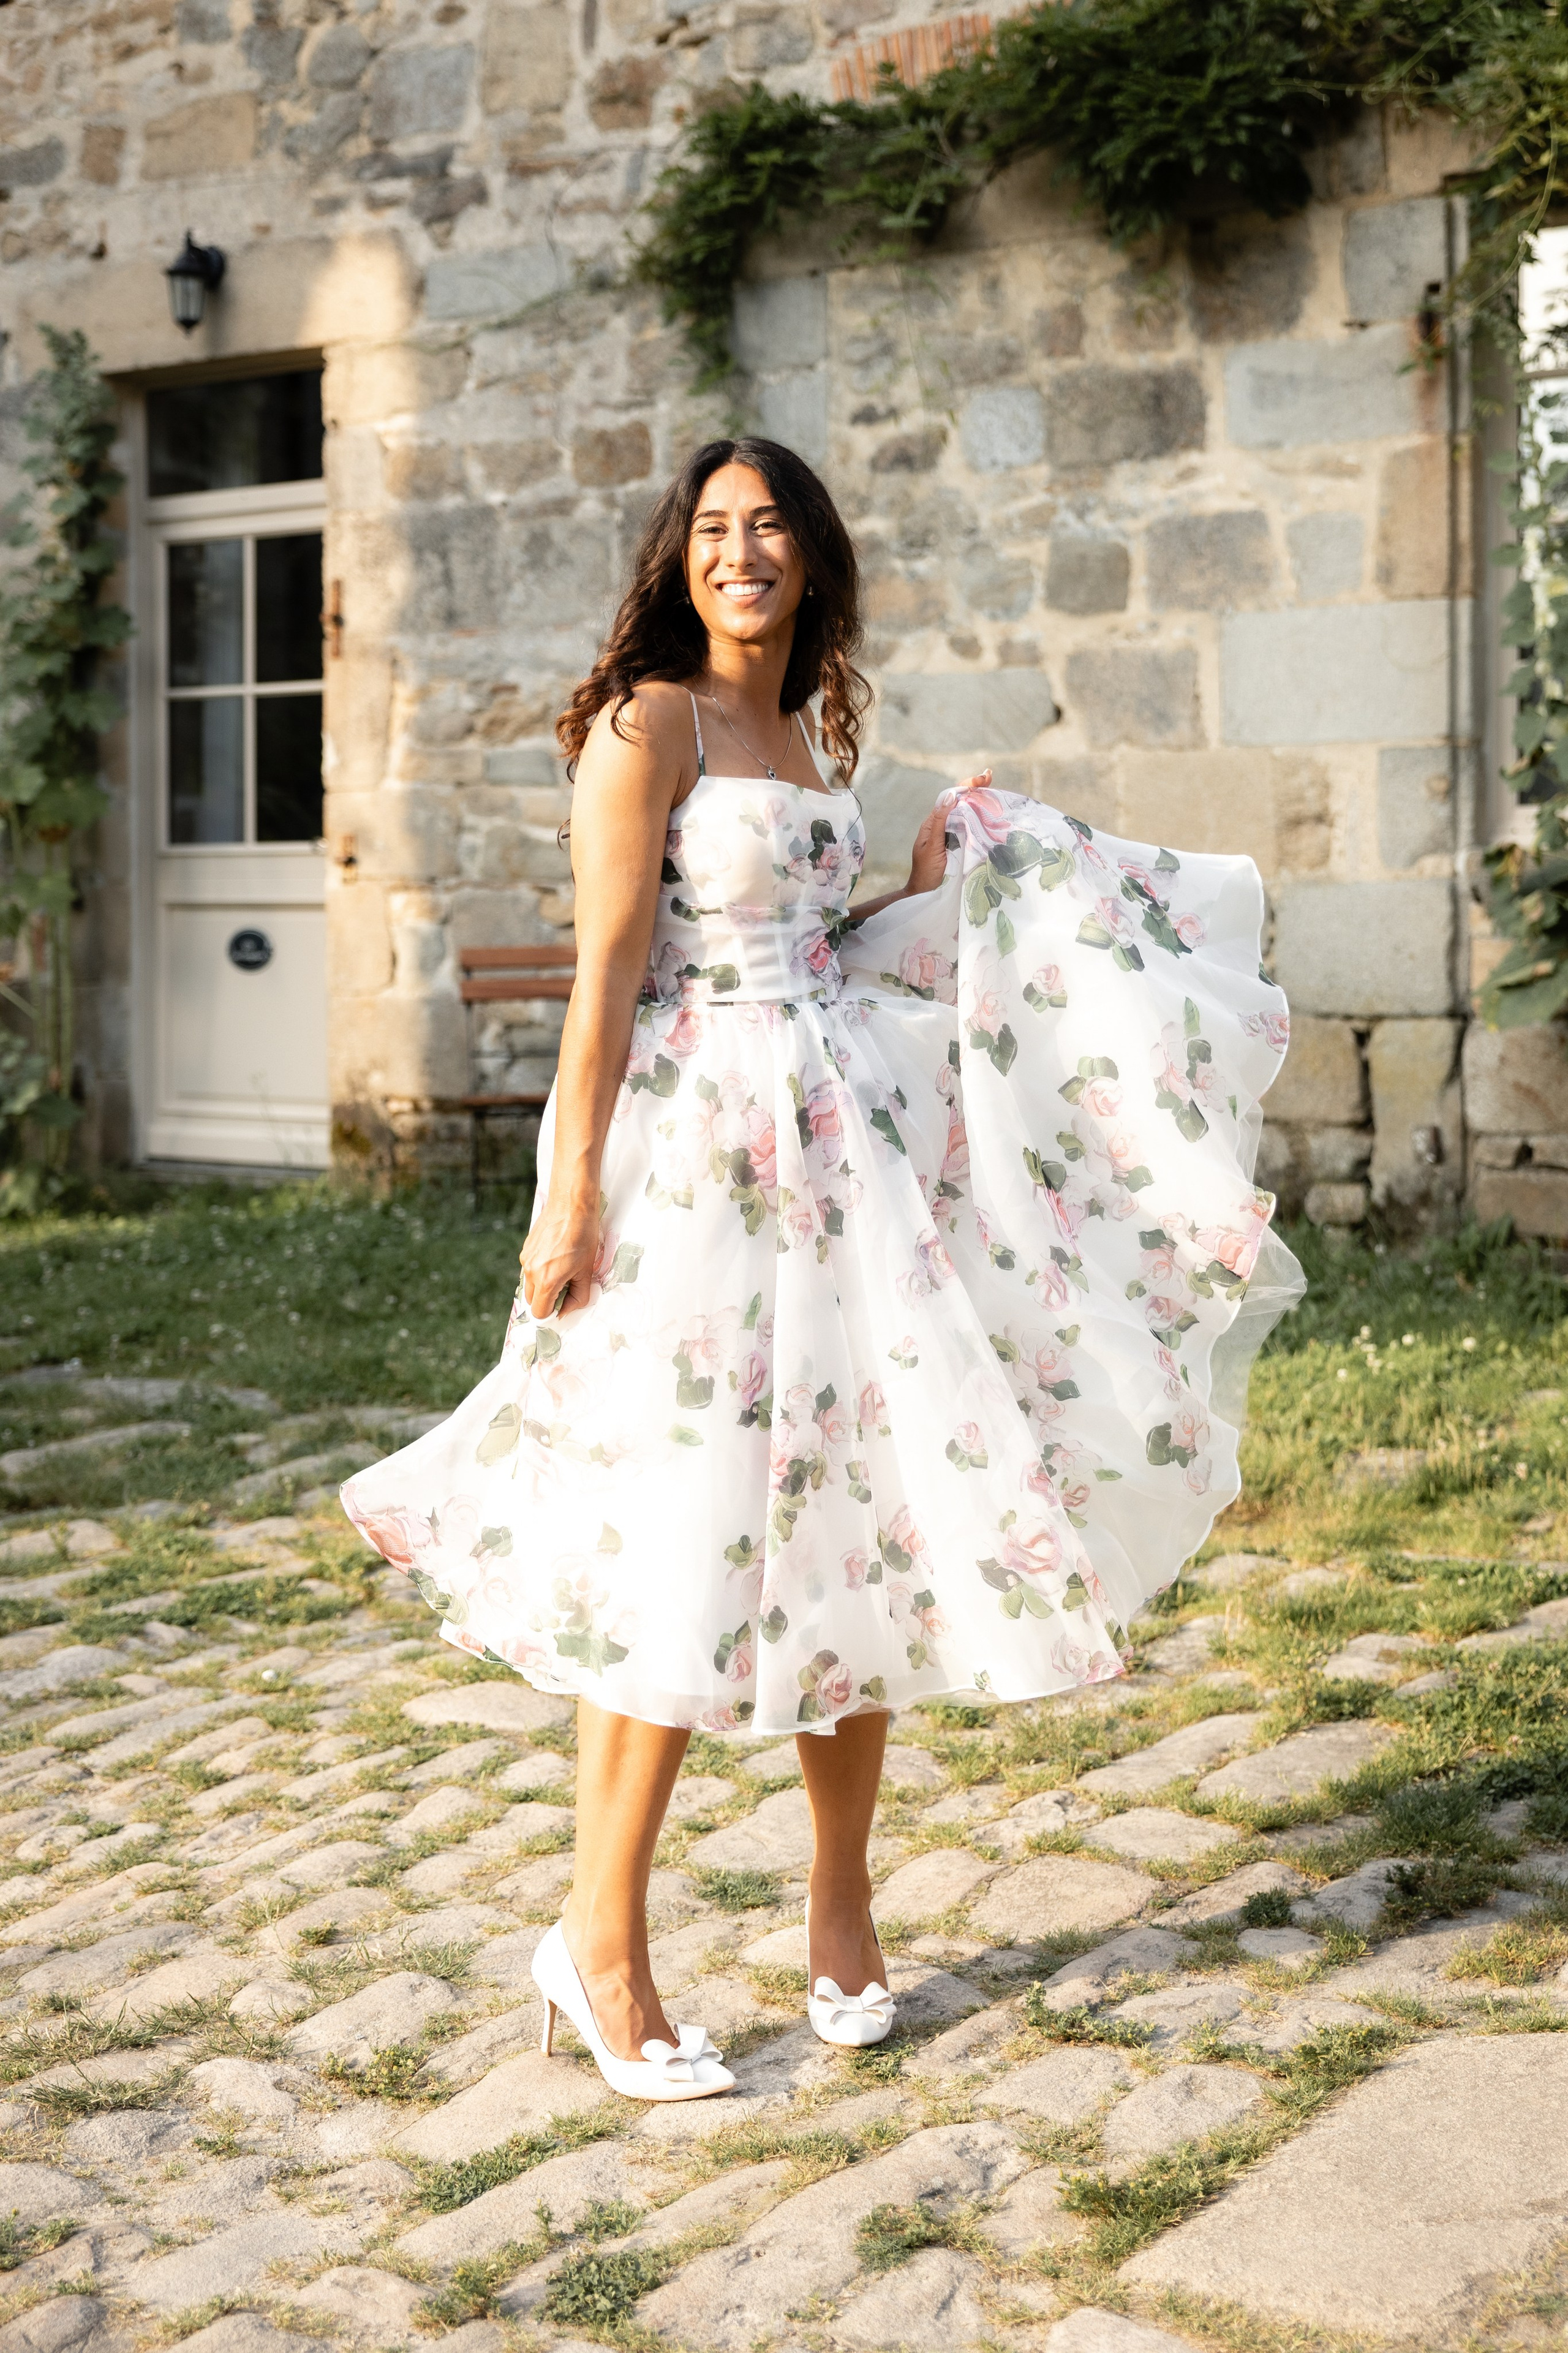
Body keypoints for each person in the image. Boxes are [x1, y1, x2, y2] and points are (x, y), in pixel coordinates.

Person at [342, 436, 1302, 2103]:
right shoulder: (645, 727)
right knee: (679, 1523)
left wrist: (926, 893)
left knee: (861, 1511)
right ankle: (598, 1938)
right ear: (678, 558)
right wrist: (568, 1193)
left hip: (847, 1156)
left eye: (769, 523)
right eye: (713, 528)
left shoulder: (810, 736)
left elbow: (824, 944)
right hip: (700, 1164)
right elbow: (612, 978)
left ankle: (842, 1906)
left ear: (812, 558)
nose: (741, 550)